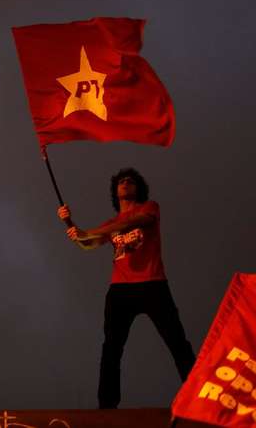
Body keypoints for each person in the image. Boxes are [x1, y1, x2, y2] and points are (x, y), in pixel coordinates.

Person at [57, 167, 196, 409]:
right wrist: (69, 221)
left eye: (130, 181)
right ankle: (107, 408)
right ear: (115, 190)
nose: (125, 183)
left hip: (153, 284)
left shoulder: (150, 208)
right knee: (111, 347)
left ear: (138, 188)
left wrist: (87, 232)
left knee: (177, 342)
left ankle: (198, 399)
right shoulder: (111, 223)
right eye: (121, 181)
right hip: (121, 289)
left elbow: (132, 222)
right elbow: (87, 245)